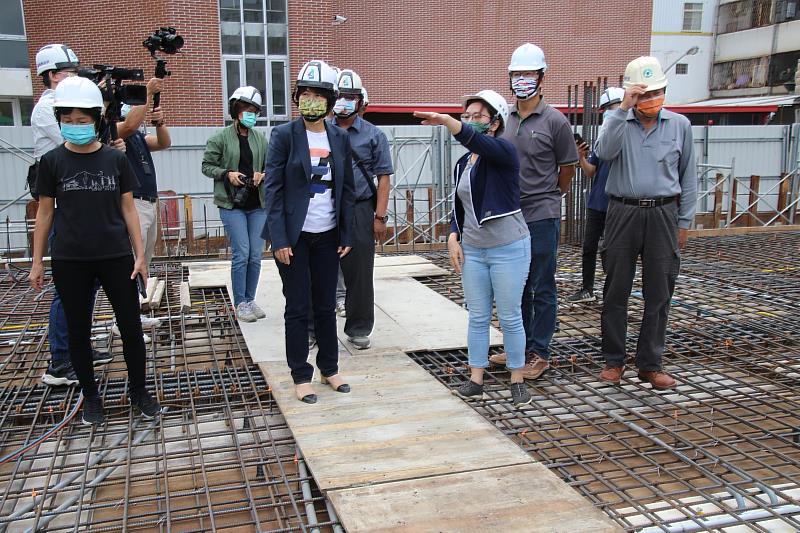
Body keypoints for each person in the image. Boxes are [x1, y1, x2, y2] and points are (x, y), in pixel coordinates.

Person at [28, 76, 162, 425]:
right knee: (78, 331)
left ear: (96, 120)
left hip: (116, 256)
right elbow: (44, 213)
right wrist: (36, 262)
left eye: (82, 120)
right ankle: (91, 397)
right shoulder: (52, 162)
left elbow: (129, 209)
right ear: (60, 120)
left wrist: (139, 256)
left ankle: (139, 391)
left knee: (131, 328)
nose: (75, 126)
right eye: (68, 121)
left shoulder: (114, 160)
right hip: (71, 259)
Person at [415, 90, 532, 407]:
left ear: (495, 122)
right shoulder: (463, 163)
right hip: (475, 251)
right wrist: (453, 235)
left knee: (509, 317)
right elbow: (461, 207)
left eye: (478, 116)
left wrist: (450, 123)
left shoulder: (503, 152)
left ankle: (517, 378)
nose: (471, 121)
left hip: (509, 247)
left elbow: (477, 142)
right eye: (467, 116)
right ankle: (476, 378)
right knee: (477, 316)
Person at [594, 56, 697, 390]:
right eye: (644, 94)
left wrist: (684, 222)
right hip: (623, 211)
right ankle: (614, 360)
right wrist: (622, 108)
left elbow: (689, 177)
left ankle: (650, 364)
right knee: (616, 290)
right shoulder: (617, 122)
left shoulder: (680, 126)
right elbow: (604, 153)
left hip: (664, 214)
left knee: (659, 292)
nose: (652, 100)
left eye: (657, 92)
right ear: (632, 95)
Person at [262, 59, 356, 404]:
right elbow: (272, 190)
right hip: (295, 238)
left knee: (326, 305)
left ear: (330, 101)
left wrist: (346, 233)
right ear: (297, 96)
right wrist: (279, 238)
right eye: (306, 93)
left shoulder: (339, 137)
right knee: (297, 306)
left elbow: (346, 188)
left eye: (319, 94)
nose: (311, 100)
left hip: (328, 236)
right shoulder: (284, 135)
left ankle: (329, 369)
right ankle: (301, 375)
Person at [489, 43, 578, 380]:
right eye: (516, 74)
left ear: (541, 77)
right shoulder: (505, 119)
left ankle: (539, 352)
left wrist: (552, 197)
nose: (521, 80)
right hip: (509, 215)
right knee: (516, 286)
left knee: (541, 284)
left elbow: (566, 168)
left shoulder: (555, 121)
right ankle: (518, 348)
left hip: (541, 214)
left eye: (527, 74)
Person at [31, 44, 115, 387]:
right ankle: (60, 360)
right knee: (67, 290)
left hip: (81, 207)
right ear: (51, 74)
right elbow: (89, 140)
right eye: (70, 70)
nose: (76, 76)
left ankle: (77, 346)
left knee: (88, 287)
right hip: (63, 209)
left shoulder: (65, 101)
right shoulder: (49, 108)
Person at [330, 69, 393, 350]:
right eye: (340, 96)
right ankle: (314, 328)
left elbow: (383, 179)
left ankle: (358, 327)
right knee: (317, 270)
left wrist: (379, 217)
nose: (344, 101)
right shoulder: (320, 130)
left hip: (359, 209)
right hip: (324, 208)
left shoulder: (374, 135)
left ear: (359, 101)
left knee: (359, 274)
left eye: (350, 97)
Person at [107, 78, 171, 338]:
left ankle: (133, 315)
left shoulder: (138, 139)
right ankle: (123, 322)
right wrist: (147, 93)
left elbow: (164, 142)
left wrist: (160, 122)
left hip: (149, 203)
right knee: (131, 264)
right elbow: (130, 123)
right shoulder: (117, 133)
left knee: (143, 260)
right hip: (133, 204)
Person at [202, 86, 268, 322]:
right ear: (236, 110)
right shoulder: (220, 138)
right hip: (232, 205)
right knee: (242, 253)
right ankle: (240, 302)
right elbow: (206, 166)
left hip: (257, 203)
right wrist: (226, 174)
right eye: (246, 110)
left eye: (254, 111)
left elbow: (271, 166)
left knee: (256, 255)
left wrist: (263, 174)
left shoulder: (260, 139)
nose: (250, 114)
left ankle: (250, 299)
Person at [566, 87, 626, 304]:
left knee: (612, 251)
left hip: (618, 205)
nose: (611, 112)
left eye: (614, 106)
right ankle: (587, 289)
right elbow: (591, 171)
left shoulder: (628, 136)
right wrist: (581, 157)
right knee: (589, 247)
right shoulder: (603, 138)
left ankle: (614, 293)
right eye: (607, 109)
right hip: (597, 202)